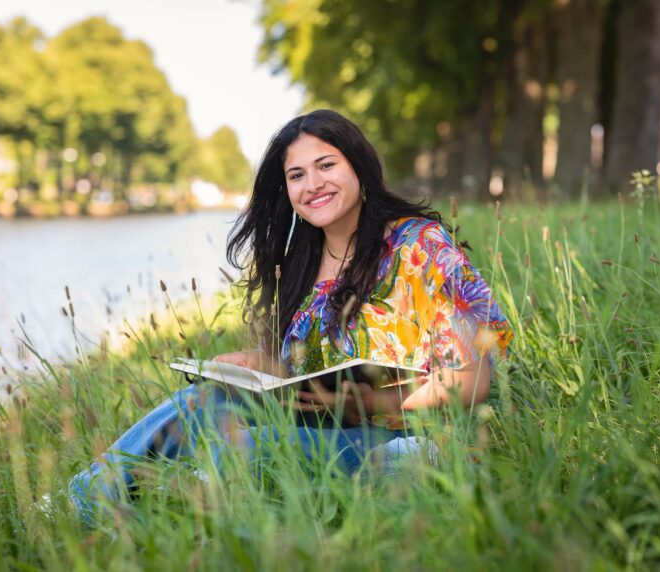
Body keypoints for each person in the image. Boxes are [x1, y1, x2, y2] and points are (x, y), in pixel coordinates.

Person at [68, 109, 512, 521]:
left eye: (326, 165)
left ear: (358, 165)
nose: (312, 184)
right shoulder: (302, 261)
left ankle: (182, 497)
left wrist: (369, 403)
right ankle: (83, 505)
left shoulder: (419, 246)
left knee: (248, 449)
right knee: (202, 402)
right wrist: (259, 368)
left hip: (411, 441)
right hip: (325, 426)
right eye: (296, 175)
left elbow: (473, 382)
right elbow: (313, 373)